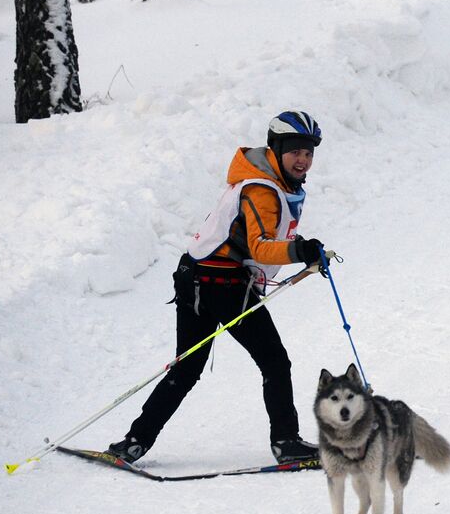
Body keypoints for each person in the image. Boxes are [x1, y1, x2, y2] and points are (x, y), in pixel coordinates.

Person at [107, 111, 329, 465]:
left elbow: (258, 241)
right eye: (295, 151)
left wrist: (303, 250)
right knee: (274, 361)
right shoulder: (262, 189)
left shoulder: (269, 182)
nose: (303, 160)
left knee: (187, 368)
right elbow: (260, 246)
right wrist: (300, 250)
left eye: (309, 152)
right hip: (220, 284)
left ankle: (133, 443)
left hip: (194, 277)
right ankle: (286, 444)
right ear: (276, 149)